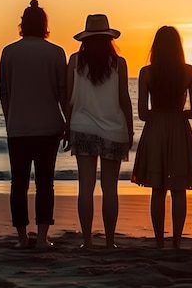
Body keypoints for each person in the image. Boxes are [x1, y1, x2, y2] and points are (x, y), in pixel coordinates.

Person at [0, 0, 68, 249]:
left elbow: (4, 92)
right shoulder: (56, 53)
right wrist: (69, 121)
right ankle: (41, 238)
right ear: (45, 25)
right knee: (45, 183)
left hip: (18, 127)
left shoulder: (8, 52)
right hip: (49, 127)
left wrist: (10, 119)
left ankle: (21, 238)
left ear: (22, 24)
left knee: (18, 184)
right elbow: (63, 93)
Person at [65, 14, 134, 249]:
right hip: (114, 129)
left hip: (81, 127)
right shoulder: (119, 63)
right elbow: (124, 100)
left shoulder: (75, 61)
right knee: (110, 188)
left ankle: (86, 240)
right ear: (108, 38)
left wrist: (67, 127)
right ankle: (110, 241)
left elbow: (68, 99)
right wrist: (131, 131)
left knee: (85, 187)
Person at [131, 26, 192, 249]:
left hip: (155, 128)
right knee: (179, 189)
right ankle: (178, 241)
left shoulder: (146, 72)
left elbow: (142, 113)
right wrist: (180, 114)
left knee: (157, 189)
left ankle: (160, 241)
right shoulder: (190, 72)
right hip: (179, 128)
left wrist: (157, 114)